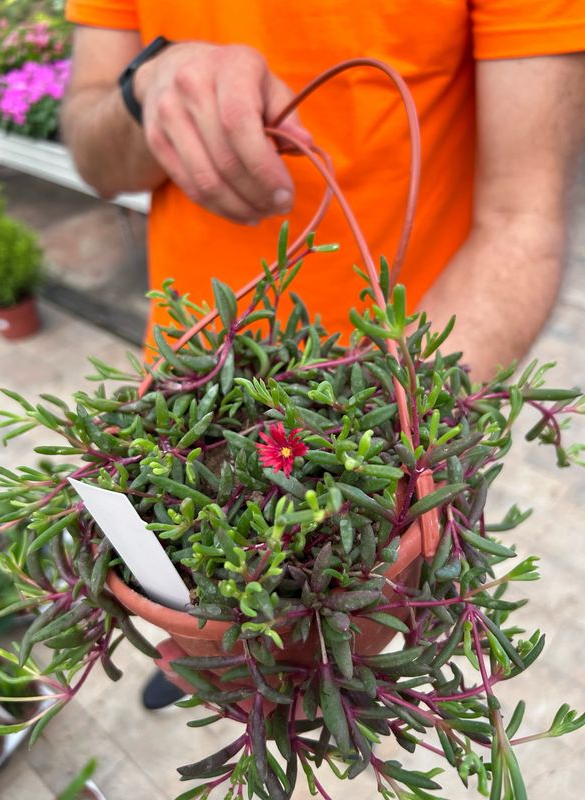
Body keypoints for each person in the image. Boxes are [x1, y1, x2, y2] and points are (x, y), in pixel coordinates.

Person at [61, 2, 585, 707]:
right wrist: (147, 84)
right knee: (192, 574)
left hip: (396, 400)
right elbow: (92, 153)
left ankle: (293, 667)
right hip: (191, 385)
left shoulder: (383, 431)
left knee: (317, 639)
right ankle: (190, 646)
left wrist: (394, 437)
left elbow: (522, 220)